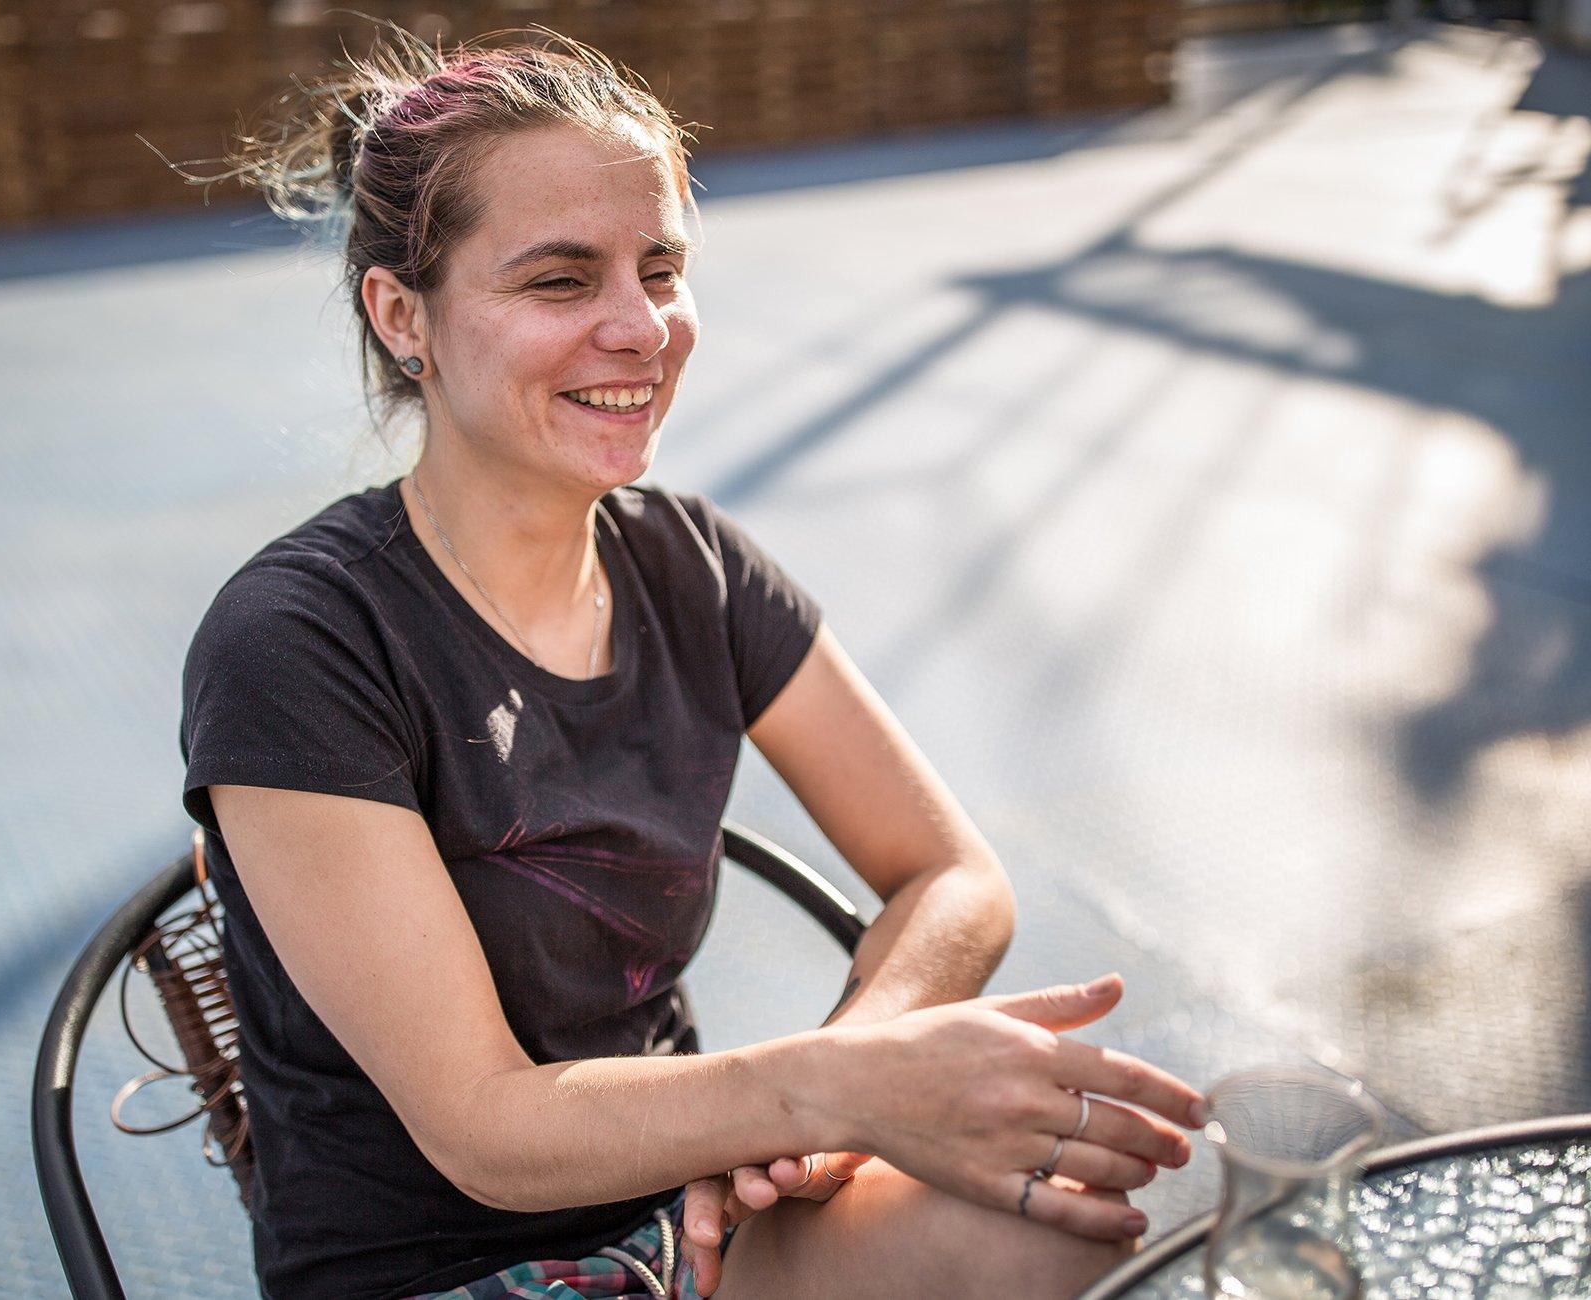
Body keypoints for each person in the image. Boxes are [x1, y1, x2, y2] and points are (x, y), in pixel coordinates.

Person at [177, 23, 1206, 1300]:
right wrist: (816, 1090)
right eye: (560, 281)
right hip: (437, 1274)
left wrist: (820, 1107)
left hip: (695, 1217)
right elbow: (483, 1128)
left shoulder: (690, 567)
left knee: (1059, 1224)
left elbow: (949, 874)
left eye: (659, 269)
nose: (640, 327)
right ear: (405, 317)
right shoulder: (299, 642)